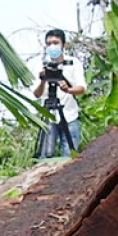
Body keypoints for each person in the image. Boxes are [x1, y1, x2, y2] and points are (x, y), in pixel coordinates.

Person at [32, 28, 86, 157]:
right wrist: (43, 80)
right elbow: (36, 94)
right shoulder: (40, 65)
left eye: (55, 43)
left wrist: (68, 89)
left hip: (70, 115)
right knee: (45, 155)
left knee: (69, 158)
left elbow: (82, 88)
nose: (52, 46)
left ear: (63, 45)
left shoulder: (73, 63)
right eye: (49, 44)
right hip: (49, 116)